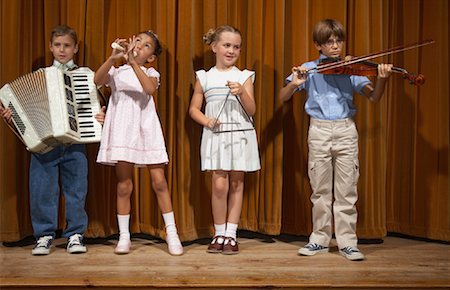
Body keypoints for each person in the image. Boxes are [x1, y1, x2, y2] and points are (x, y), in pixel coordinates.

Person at [279, 19, 392, 261]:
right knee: (320, 191)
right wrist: (295, 84)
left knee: (347, 190)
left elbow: (374, 98)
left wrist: (382, 79)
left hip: (345, 130)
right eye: (329, 42)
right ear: (318, 45)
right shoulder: (309, 68)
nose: (335, 46)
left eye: (338, 41)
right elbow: (283, 96)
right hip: (318, 130)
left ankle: (347, 243)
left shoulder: (351, 68)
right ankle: (319, 239)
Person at [0, 25, 105, 255]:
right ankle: (44, 235)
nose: (62, 50)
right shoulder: (40, 76)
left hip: (75, 142)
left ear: (75, 48)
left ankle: (76, 234)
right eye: (57, 45)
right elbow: (23, 113)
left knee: (77, 190)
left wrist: (100, 115)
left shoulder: (85, 75)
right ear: (50, 47)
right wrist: (12, 116)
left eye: (67, 45)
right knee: (41, 190)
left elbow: (97, 104)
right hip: (44, 145)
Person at [94, 30, 183, 256]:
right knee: (124, 184)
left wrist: (133, 63)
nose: (139, 46)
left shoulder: (150, 71)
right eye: (138, 42)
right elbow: (97, 80)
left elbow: (149, 89)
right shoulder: (117, 70)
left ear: (151, 56)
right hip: (123, 130)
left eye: (145, 46)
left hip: (146, 128)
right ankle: (125, 236)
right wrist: (113, 58)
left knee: (159, 181)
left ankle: (171, 232)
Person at [189, 25, 261, 255]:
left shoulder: (244, 76)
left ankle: (231, 234)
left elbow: (252, 110)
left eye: (236, 47)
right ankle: (218, 232)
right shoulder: (204, 77)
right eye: (227, 45)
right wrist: (206, 121)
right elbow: (193, 109)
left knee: (237, 183)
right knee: (219, 185)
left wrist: (242, 92)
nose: (231, 50)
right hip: (216, 136)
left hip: (241, 136)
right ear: (214, 47)